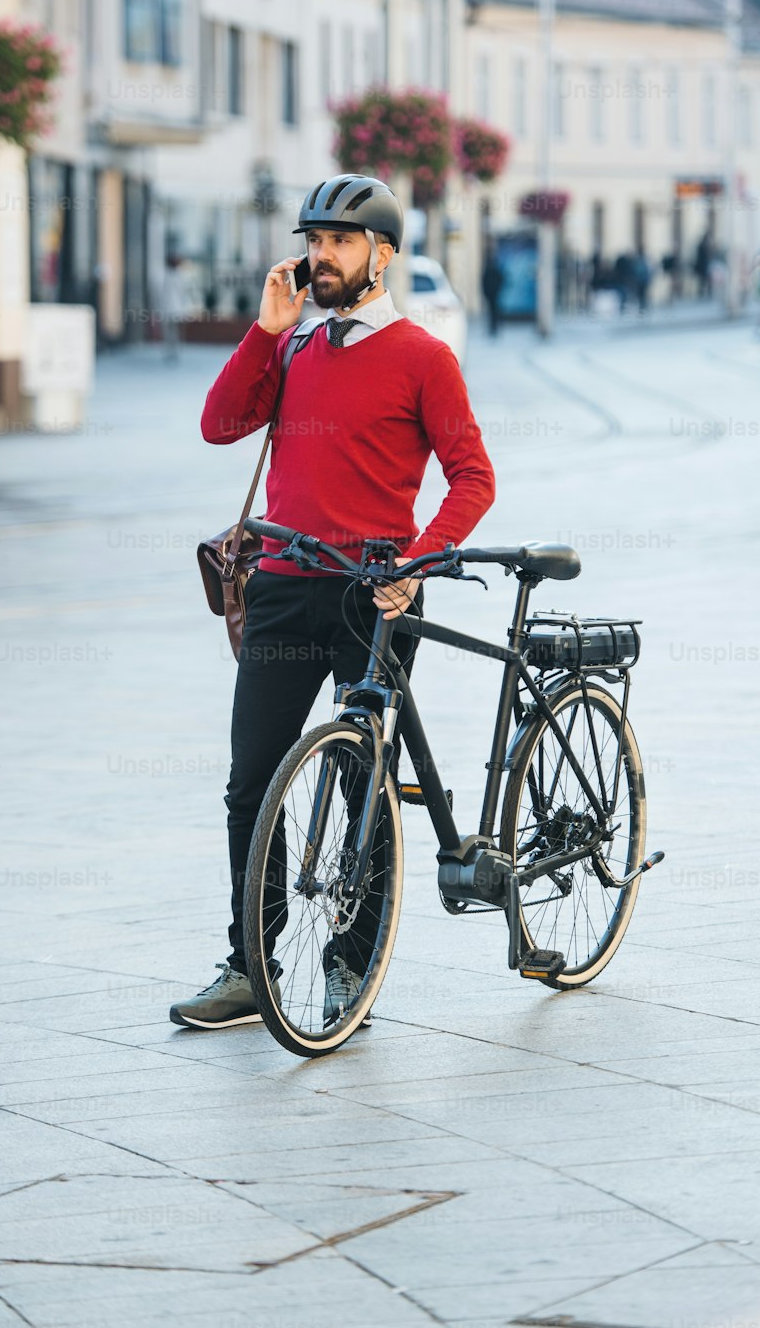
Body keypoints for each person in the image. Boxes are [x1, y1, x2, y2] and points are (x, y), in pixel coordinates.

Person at [170, 174, 496, 1030]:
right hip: (282, 587)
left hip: (374, 601)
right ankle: (250, 966)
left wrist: (419, 562)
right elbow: (218, 424)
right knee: (252, 787)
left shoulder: (425, 358)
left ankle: (351, 962)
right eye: (313, 241)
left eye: (340, 243)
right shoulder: (294, 348)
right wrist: (263, 331)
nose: (320, 257)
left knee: (364, 789)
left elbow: (473, 477)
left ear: (381, 257)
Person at [481, 248, 505, 335]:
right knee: (492, 311)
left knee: (494, 311)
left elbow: (501, 279)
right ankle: (492, 328)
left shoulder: (494, 270)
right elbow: (484, 282)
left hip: (494, 293)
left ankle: (494, 327)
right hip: (491, 293)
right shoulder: (489, 270)